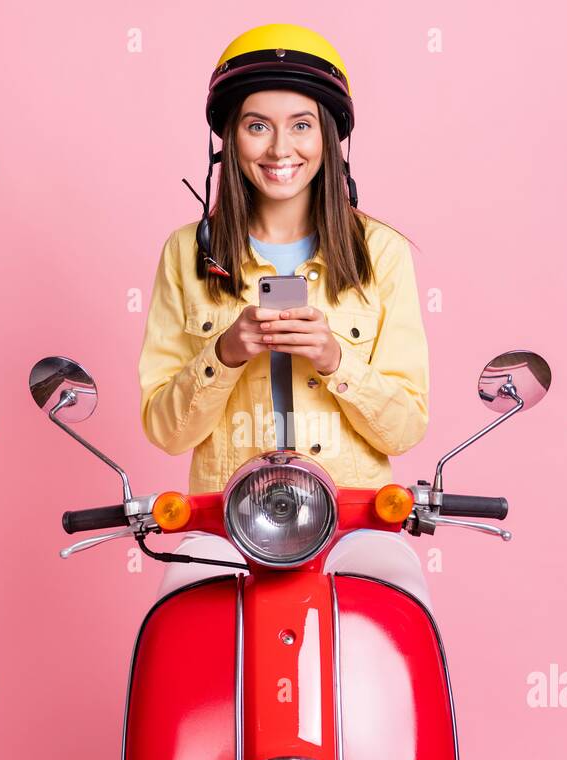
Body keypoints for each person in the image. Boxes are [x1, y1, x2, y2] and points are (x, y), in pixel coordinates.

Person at [137, 23, 432, 610]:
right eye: (257, 126)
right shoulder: (185, 254)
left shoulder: (383, 254)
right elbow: (166, 433)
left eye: (300, 125)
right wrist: (223, 354)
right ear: (229, 137)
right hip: (224, 522)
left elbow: (405, 428)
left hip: (353, 520)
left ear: (328, 137)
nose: (279, 150)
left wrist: (335, 360)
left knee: (399, 616)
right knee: (176, 622)